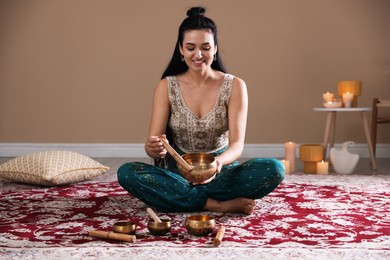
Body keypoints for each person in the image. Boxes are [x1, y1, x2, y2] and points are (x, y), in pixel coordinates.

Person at [117, 6, 284, 215]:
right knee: (127, 173)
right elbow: (152, 147)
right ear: (180, 49)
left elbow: (237, 146)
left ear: (215, 49)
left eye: (205, 47)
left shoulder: (235, 86)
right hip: (178, 172)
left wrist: (216, 164)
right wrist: (154, 148)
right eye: (190, 47)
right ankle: (217, 204)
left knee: (274, 168)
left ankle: (182, 197)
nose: (198, 54)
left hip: (220, 171)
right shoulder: (166, 86)